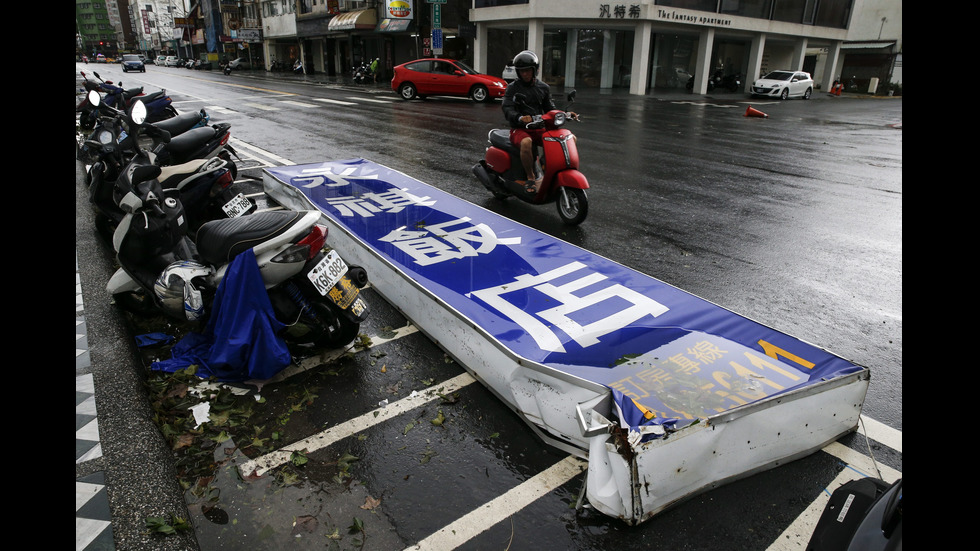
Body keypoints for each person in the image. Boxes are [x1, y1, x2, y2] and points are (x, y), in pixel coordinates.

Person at [501, 50, 570, 194]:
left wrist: (564, 114)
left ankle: (546, 167)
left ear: (535, 70)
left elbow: (549, 108)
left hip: (538, 127)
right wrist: (519, 117)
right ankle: (531, 177)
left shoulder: (543, 87)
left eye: (527, 71)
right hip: (520, 129)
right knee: (526, 142)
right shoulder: (512, 88)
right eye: (521, 71)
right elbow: (507, 108)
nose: (525, 74)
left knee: (563, 138)